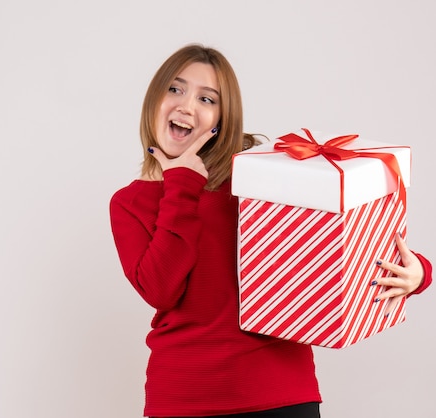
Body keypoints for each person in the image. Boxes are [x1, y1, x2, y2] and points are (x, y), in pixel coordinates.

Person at [108, 43, 433, 418]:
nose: (187, 105)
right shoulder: (129, 203)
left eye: (207, 98)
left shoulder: (255, 180)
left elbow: (335, 243)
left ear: (220, 120)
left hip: (278, 393)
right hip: (182, 398)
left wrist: (419, 271)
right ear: (154, 101)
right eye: (175, 89)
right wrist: (181, 182)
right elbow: (162, 289)